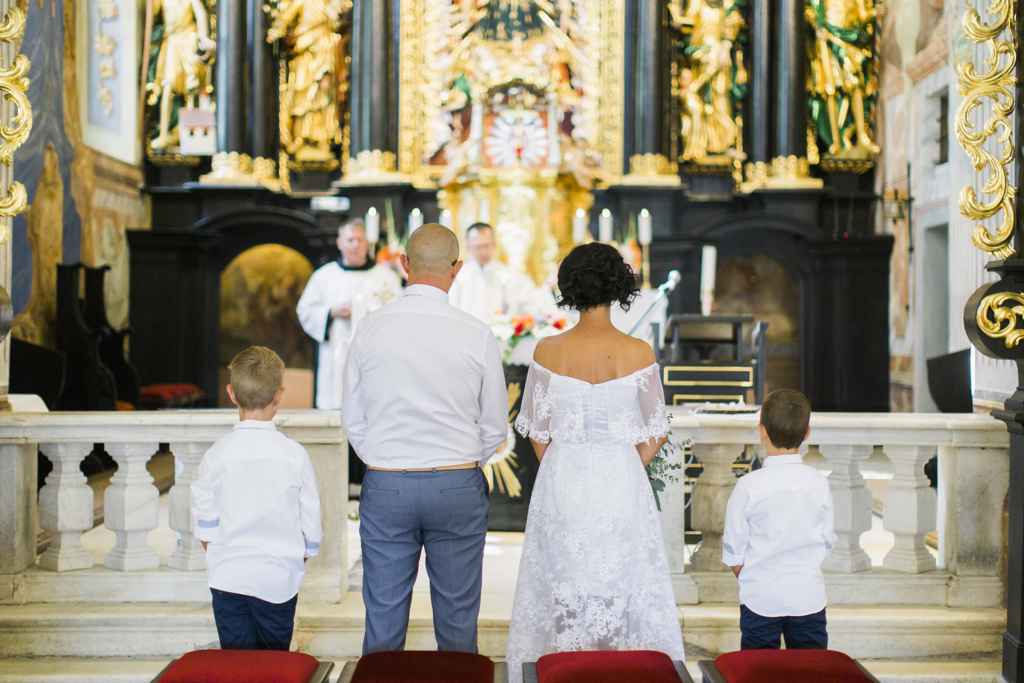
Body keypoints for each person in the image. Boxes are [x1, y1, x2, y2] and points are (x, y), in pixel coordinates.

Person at [506, 243, 685, 682]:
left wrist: (564, 461)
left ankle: (564, 669)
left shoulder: (548, 350)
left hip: (563, 473)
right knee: (621, 575)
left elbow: (536, 429)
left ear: (569, 287)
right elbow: (656, 429)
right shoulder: (639, 351)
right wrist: (626, 461)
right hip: (620, 474)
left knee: (562, 574)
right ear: (618, 286)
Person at [342, 224, 508, 654]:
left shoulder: (370, 329)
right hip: (455, 482)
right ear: (456, 269)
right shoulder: (476, 333)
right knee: (457, 620)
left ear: (403, 263)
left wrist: (385, 458)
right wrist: (462, 457)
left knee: (382, 614)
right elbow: (494, 425)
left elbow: (353, 416)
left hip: (387, 481)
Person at [192, 346, 322, 650]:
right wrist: (303, 552)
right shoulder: (294, 455)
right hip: (278, 579)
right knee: (273, 664)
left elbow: (204, 517)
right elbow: (310, 519)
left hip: (228, 578)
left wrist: (217, 550)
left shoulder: (217, 454)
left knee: (237, 663)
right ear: (279, 395)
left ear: (231, 393)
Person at [722, 389, 836, 650]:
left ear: (761, 430)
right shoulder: (818, 483)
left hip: (760, 598)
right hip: (808, 596)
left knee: (759, 673)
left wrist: (757, 576)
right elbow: (827, 541)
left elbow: (733, 552)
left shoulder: (748, 486)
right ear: (807, 432)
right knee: (812, 672)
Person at [297, 218, 401, 411]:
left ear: (367, 243)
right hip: (335, 356)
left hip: (373, 356)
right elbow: (305, 311)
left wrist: (364, 310)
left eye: (359, 240)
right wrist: (331, 312)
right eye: (350, 240)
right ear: (339, 243)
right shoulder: (324, 276)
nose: (355, 245)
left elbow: (397, 316)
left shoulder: (386, 277)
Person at [448, 222, 553, 325]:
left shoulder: (508, 275)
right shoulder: (458, 277)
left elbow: (526, 305)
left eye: (486, 246)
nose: (483, 252)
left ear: (494, 244)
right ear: (468, 247)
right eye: (478, 247)